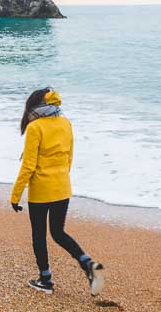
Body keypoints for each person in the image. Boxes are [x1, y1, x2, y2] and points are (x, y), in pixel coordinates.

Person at [11, 87, 104, 296]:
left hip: (41, 191)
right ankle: (87, 263)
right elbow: (69, 157)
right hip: (62, 187)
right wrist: (62, 180)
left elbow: (28, 167)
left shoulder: (36, 127)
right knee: (58, 233)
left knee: (39, 235)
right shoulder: (65, 123)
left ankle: (45, 279)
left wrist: (15, 195)